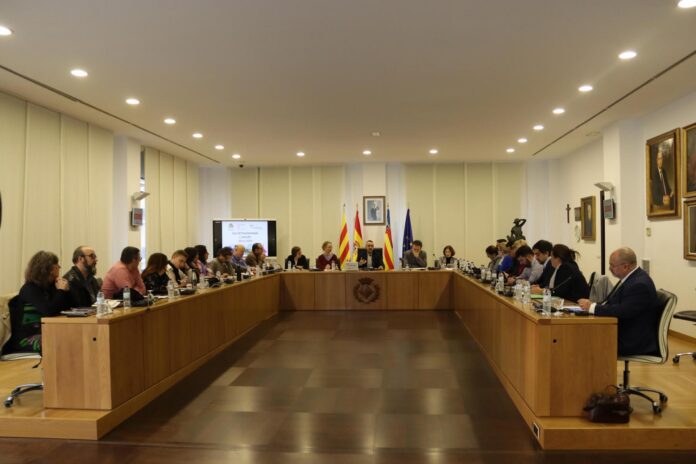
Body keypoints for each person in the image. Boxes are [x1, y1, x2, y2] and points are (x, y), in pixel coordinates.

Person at [578, 248, 661, 356]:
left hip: (632, 341)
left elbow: (623, 311)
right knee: (582, 336)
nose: (609, 268)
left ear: (625, 266)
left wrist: (593, 307)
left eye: (612, 265)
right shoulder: (632, 279)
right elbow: (614, 304)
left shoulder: (639, 284)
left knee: (583, 340)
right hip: (624, 332)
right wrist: (592, 305)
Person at [8, 251, 72, 352]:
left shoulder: (50, 287)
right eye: (57, 264)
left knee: (76, 335)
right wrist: (61, 291)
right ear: (49, 269)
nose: (59, 267)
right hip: (27, 338)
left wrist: (66, 291)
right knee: (62, 341)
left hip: (46, 331)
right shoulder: (30, 288)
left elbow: (68, 308)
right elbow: (49, 311)